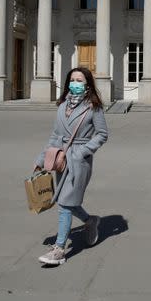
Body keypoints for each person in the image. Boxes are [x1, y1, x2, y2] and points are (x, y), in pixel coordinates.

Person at [34, 67, 109, 265]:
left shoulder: (94, 107)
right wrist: (42, 159)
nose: (75, 83)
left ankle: (59, 250)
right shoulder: (62, 105)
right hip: (60, 158)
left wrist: (83, 152)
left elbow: (102, 134)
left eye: (80, 80)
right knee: (68, 200)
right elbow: (55, 135)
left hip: (78, 161)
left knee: (65, 203)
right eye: (72, 79)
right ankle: (90, 221)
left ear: (87, 84)